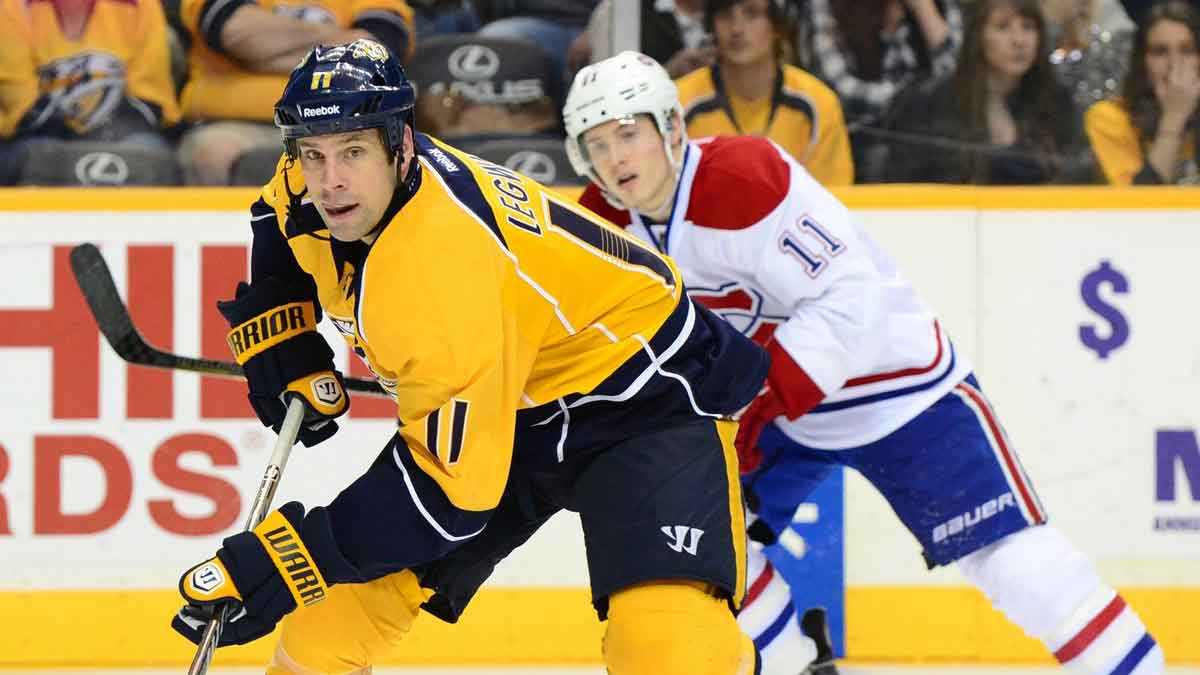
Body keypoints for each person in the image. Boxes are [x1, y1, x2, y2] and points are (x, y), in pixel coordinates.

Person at [169, 38, 771, 675]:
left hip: (640, 396)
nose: (330, 178)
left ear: (401, 146)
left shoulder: (441, 265)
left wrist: (287, 560)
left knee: (666, 649)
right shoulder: (317, 169)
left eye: (352, 152)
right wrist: (282, 335)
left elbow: (449, 499)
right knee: (327, 631)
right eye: (313, 155)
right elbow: (277, 221)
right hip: (504, 393)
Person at [564, 50, 1167, 675]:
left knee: (1006, 559)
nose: (616, 158)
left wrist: (758, 407)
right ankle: (800, 665)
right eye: (597, 144)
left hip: (895, 387)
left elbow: (852, 297)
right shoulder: (603, 223)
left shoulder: (745, 177)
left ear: (671, 128)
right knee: (699, 547)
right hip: (786, 412)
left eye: (629, 134)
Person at [175, 0, 414, 185]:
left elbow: (377, 50)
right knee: (212, 152)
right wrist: (340, 44)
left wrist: (260, 55)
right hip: (235, 124)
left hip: (344, 124)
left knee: (383, 153)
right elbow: (234, 32)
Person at [878, 0, 1095, 184]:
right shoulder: (931, 103)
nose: (1019, 41)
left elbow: (1081, 176)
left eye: (1028, 27)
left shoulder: (1057, 101)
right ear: (977, 36)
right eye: (1002, 27)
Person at [0, 0, 182, 186]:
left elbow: (151, 98)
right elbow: (19, 103)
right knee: (32, 159)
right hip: (38, 136)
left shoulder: (141, 5)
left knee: (152, 158)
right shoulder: (12, 6)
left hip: (122, 134)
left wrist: (101, 136)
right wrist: (78, 143)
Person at [675, 0, 854, 185]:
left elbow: (832, 201)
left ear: (778, 25)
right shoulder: (678, 102)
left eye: (752, 14)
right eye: (725, 15)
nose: (737, 28)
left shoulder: (819, 104)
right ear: (711, 24)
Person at [804, 0, 963, 172]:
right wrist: (915, 103)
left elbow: (962, 83)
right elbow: (839, 89)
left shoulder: (942, 5)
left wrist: (925, 11)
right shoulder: (823, 5)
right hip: (863, 139)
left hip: (934, 139)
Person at [1085, 0, 1199, 184]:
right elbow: (1138, 206)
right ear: (1142, 61)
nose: (1174, 63)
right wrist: (1174, 118)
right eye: (1160, 52)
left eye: (1187, 50)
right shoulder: (1109, 117)